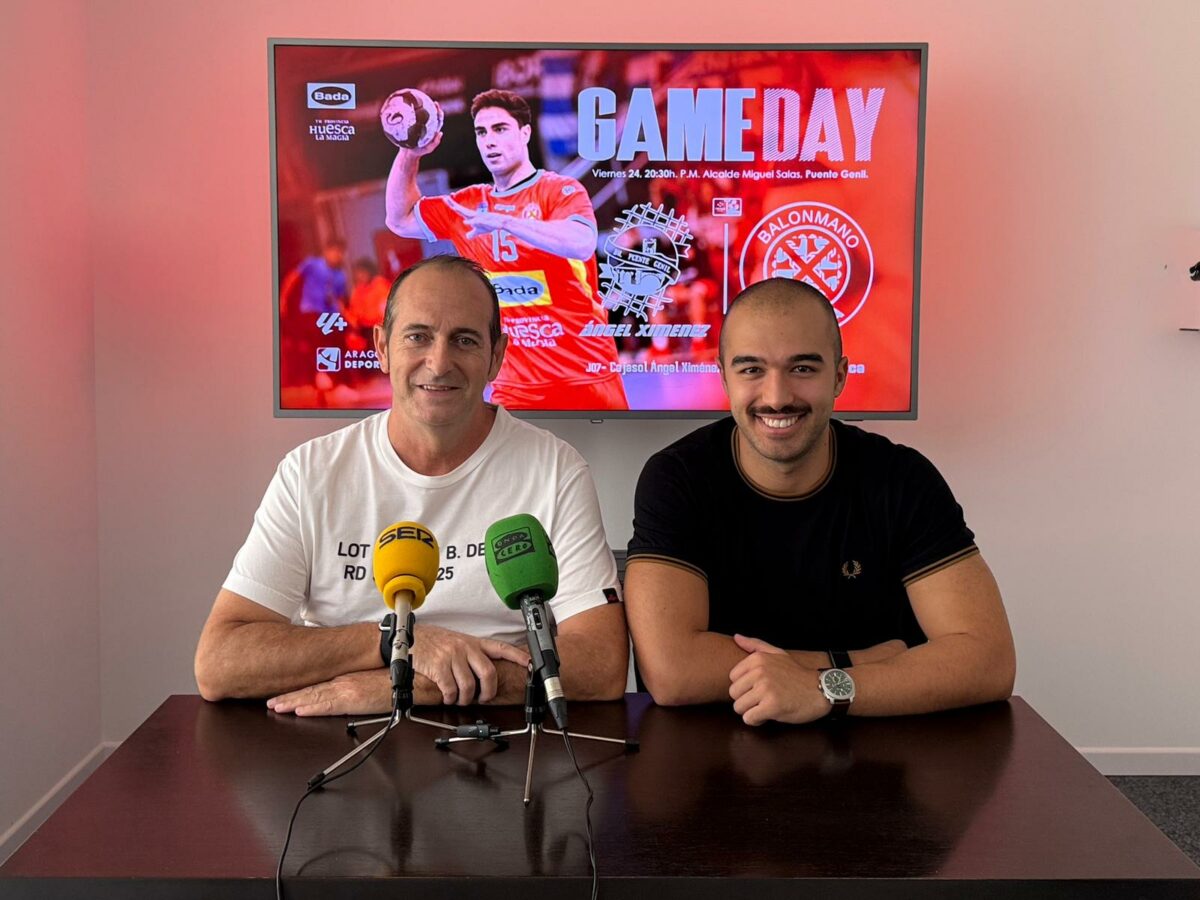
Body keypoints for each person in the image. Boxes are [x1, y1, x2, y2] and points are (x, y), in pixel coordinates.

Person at [195, 255, 628, 715]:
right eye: (418, 336)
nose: (439, 363)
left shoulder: (556, 470)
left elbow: (600, 663)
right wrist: (395, 643)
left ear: (496, 356)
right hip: (337, 736)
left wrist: (411, 685)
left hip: (501, 734)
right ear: (382, 347)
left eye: (464, 340)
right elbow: (220, 662)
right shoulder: (310, 472)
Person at [624, 278, 1015, 725]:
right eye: (751, 370)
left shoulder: (901, 479)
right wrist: (854, 663)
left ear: (840, 376)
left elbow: (989, 659)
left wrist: (823, 689)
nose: (777, 397)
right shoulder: (677, 478)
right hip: (717, 753)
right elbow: (672, 672)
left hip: (882, 752)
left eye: (803, 368)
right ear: (724, 376)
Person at [384, 89, 627, 411]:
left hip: (585, 377)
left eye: (500, 129)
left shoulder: (560, 190)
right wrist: (410, 152)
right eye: (481, 132)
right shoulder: (468, 204)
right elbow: (399, 220)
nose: (489, 141)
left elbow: (581, 243)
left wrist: (505, 222)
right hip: (515, 389)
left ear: (525, 133)